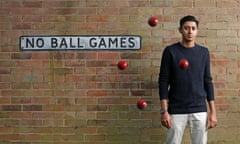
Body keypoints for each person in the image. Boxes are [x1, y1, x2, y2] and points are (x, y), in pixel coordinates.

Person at [158, 15, 218, 144]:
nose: (190, 31)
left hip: (199, 109)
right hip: (176, 109)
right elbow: (163, 82)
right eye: (186, 28)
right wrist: (164, 111)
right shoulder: (170, 51)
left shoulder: (204, 52)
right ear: (180, 30)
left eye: (193, 28)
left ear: (197, 31)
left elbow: (208, 81)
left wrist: (213, 111)